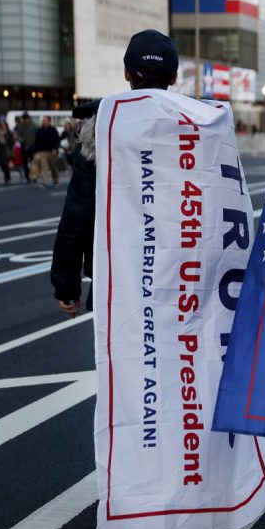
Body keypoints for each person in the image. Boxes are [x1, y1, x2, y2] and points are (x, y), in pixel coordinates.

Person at [51, 29, 179, 317]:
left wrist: (66, 284)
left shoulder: (100, 131)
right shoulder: (195, 130)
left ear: (126, 73)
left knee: (119, 357)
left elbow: (77, 214)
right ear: (173, 77)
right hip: (179, 275)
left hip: (115, 274)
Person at [31, 116, 60, 188]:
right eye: (43, 121)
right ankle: (44, 182)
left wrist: (55, 148)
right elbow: (36, 142)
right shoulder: (40, 130)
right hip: (42, 151)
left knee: (54, 167)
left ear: (49, 121)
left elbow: (57, 140)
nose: (44, 122)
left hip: (52, 151)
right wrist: (35, 151)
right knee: (43, 167)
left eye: (46, 121)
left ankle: (55, 180)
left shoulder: (53, 130)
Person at [16, 112, 36, 183]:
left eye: (26, 118)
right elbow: (18, 136)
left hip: (32, 146)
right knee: (24, 163)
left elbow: (37, 135)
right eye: (24, 119)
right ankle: (28, 177)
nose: (25, 120)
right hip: (24, 146)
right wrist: (22, 140)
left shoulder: (33, 126)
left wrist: (35, 145)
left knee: (33, 162)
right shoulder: (21, 126)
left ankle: (34, 176)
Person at [0, 120, 15, 186]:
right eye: (2, 126)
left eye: (4, 126)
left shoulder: (9, 133)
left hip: (7, 151)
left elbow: (12, 142)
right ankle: (6, 178)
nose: (3, 127)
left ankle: (7, 179)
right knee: (3, 166)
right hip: (1, 152)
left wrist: (10, 148)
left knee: (7, 166)